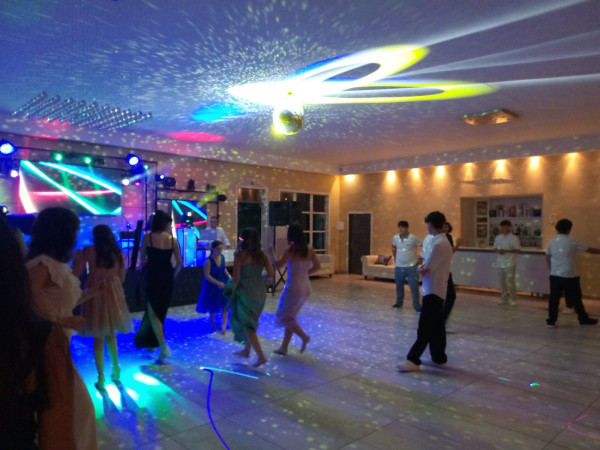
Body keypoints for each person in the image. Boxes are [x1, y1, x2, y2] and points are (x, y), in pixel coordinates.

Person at [24, 207, 98, 449]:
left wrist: (93, 291)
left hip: (58, 349)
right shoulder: (41, 266)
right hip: (43, 350)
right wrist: (59, 322)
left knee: (78, 413)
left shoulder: (55, 265)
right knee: (76, 413)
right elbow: (17, 308)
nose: (76, 236)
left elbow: (63, 300)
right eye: (74, 231)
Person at [72, 225, 133, 392]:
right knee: (110, 332)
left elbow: (75, 274)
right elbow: (122, 277)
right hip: (113, 292)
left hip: (95, 293)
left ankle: (101, 378)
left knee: (97, 335)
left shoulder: (89, 251)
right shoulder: (117, 252)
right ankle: (116, 368)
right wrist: (112, 283)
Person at [398, 211, 453, 372]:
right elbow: (426, 263)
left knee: (425, 326)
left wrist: (420, 268)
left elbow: (426, 268)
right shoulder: (438, 240)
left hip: (434, 289)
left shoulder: (440, 244)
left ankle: (413, 359)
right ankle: (439, 357)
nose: (427, 227)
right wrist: (422, 267)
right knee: (437, 325)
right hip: (435, 288)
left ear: (430, 224)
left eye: (427, 224)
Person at [134, 210, 182, 360]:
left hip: (153, 277)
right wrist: (173, 276)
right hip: (167, 278)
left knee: (152, 312)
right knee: (160, 311)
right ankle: (152, 343)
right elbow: (180, 263)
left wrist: (150, 262)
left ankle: (162, 346)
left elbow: (142, 259)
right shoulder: (173, 240)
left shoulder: (148, 237)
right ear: (165, 224)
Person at [268, 224, 321, 356]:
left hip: (293, 288)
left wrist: (271, 253)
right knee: (290, 317)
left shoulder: (291, 250)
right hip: (306, 288)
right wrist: (304, 273)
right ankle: (284, 347)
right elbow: (317, 266)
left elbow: (278, 265)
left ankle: (304, 337)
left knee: (283, 317)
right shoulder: (309, 249)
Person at [227, 227, 274, 367]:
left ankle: (261, 356)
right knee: (252, 322)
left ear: (244, 239)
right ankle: (247, 350)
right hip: (260, 291)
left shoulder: (240, 255)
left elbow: (236, 278)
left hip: (246, 292)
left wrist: (229, 292)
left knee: (248, 325)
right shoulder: (262, 255)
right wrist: (258, 277)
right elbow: (271, 274)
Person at [545, 218, 600, 328]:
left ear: (557, 229)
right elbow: (589, 250)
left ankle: (551, 321)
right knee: (576, 298)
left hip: (555, 275)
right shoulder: (572, 241)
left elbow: (547, 257)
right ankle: (583, 319)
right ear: (569, 229)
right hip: (570, 275)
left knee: (554, 299)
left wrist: (551, 270)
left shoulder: (551, 241)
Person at [196, 240, 231, 334]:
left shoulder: (222, 257)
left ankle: (224, 324)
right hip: (212, 285)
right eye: (218, 249)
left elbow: (224, 269)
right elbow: (207, 276)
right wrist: (217, 283)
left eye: (221, 249)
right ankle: (212, 322)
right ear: (213, 249)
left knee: (226, 303)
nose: (220, 251)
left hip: (223, 282)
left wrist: (229, 277)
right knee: (214, 305)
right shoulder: (208, 261)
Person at [392, 220, 422, 312]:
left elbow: (423, 246)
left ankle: (417, 306)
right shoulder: (395, 237)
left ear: (407, 228)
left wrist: (421, 258)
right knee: (399, 286)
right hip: (399, 267)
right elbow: (393, 246)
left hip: (411, 267)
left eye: (402, 227)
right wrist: (394, 256)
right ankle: (399, 303)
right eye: (399, 227)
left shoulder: (413, 238)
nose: (400, 229)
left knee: (414, 287)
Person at [493, 220, 521, 306]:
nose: (503, 228)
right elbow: (495, 248)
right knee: (502, 282)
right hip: (500, 263)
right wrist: (498, 251)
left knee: (510, 282)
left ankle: (513, 299)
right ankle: (503, 298)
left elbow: (517, 249)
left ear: (509, 227)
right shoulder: (498, 237)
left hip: (510, 263)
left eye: (505, 227)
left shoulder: (514, 238)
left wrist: (505, 251)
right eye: (501, 227)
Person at [442, 221, 459, 323]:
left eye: (447, 227)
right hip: (442, 271)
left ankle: (440, 321)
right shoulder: (439, 239)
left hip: (445, 269)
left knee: (449, 296)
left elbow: (450, 251)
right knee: (450, 296)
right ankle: (440, 322)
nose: (446, 228)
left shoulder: (448, 237)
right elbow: (449, 251)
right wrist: (458, 245)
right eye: (444, 226)